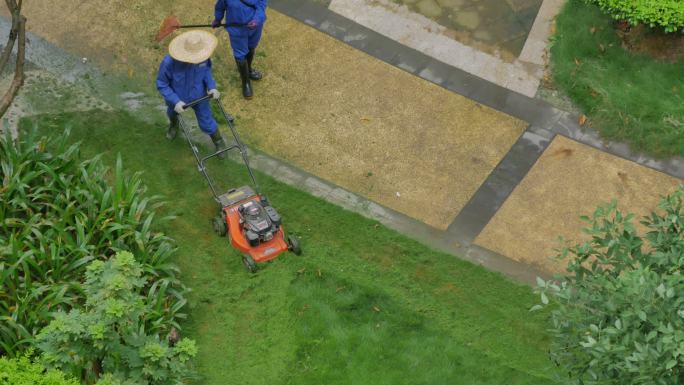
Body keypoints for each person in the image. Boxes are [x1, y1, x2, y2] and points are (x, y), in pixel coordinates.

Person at [156, 30, 227, 157]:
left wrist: (212, 87)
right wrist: (175, 101)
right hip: (177, 99)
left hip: (199, 96)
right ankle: (173, 125)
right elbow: (162, 84)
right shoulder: (169, 63)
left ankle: (219, 141)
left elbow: (206, 73)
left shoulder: (203, 57)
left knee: (206, 120)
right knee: (172, 113)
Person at [212, 0, 267, 99]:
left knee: (251, 47)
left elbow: (261, 7)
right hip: (237, 31)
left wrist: (256, 20)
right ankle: (245, 82)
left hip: (254, 29)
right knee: (240, 54)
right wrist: (217, 19)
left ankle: (249, 70)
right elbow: (220, 6)